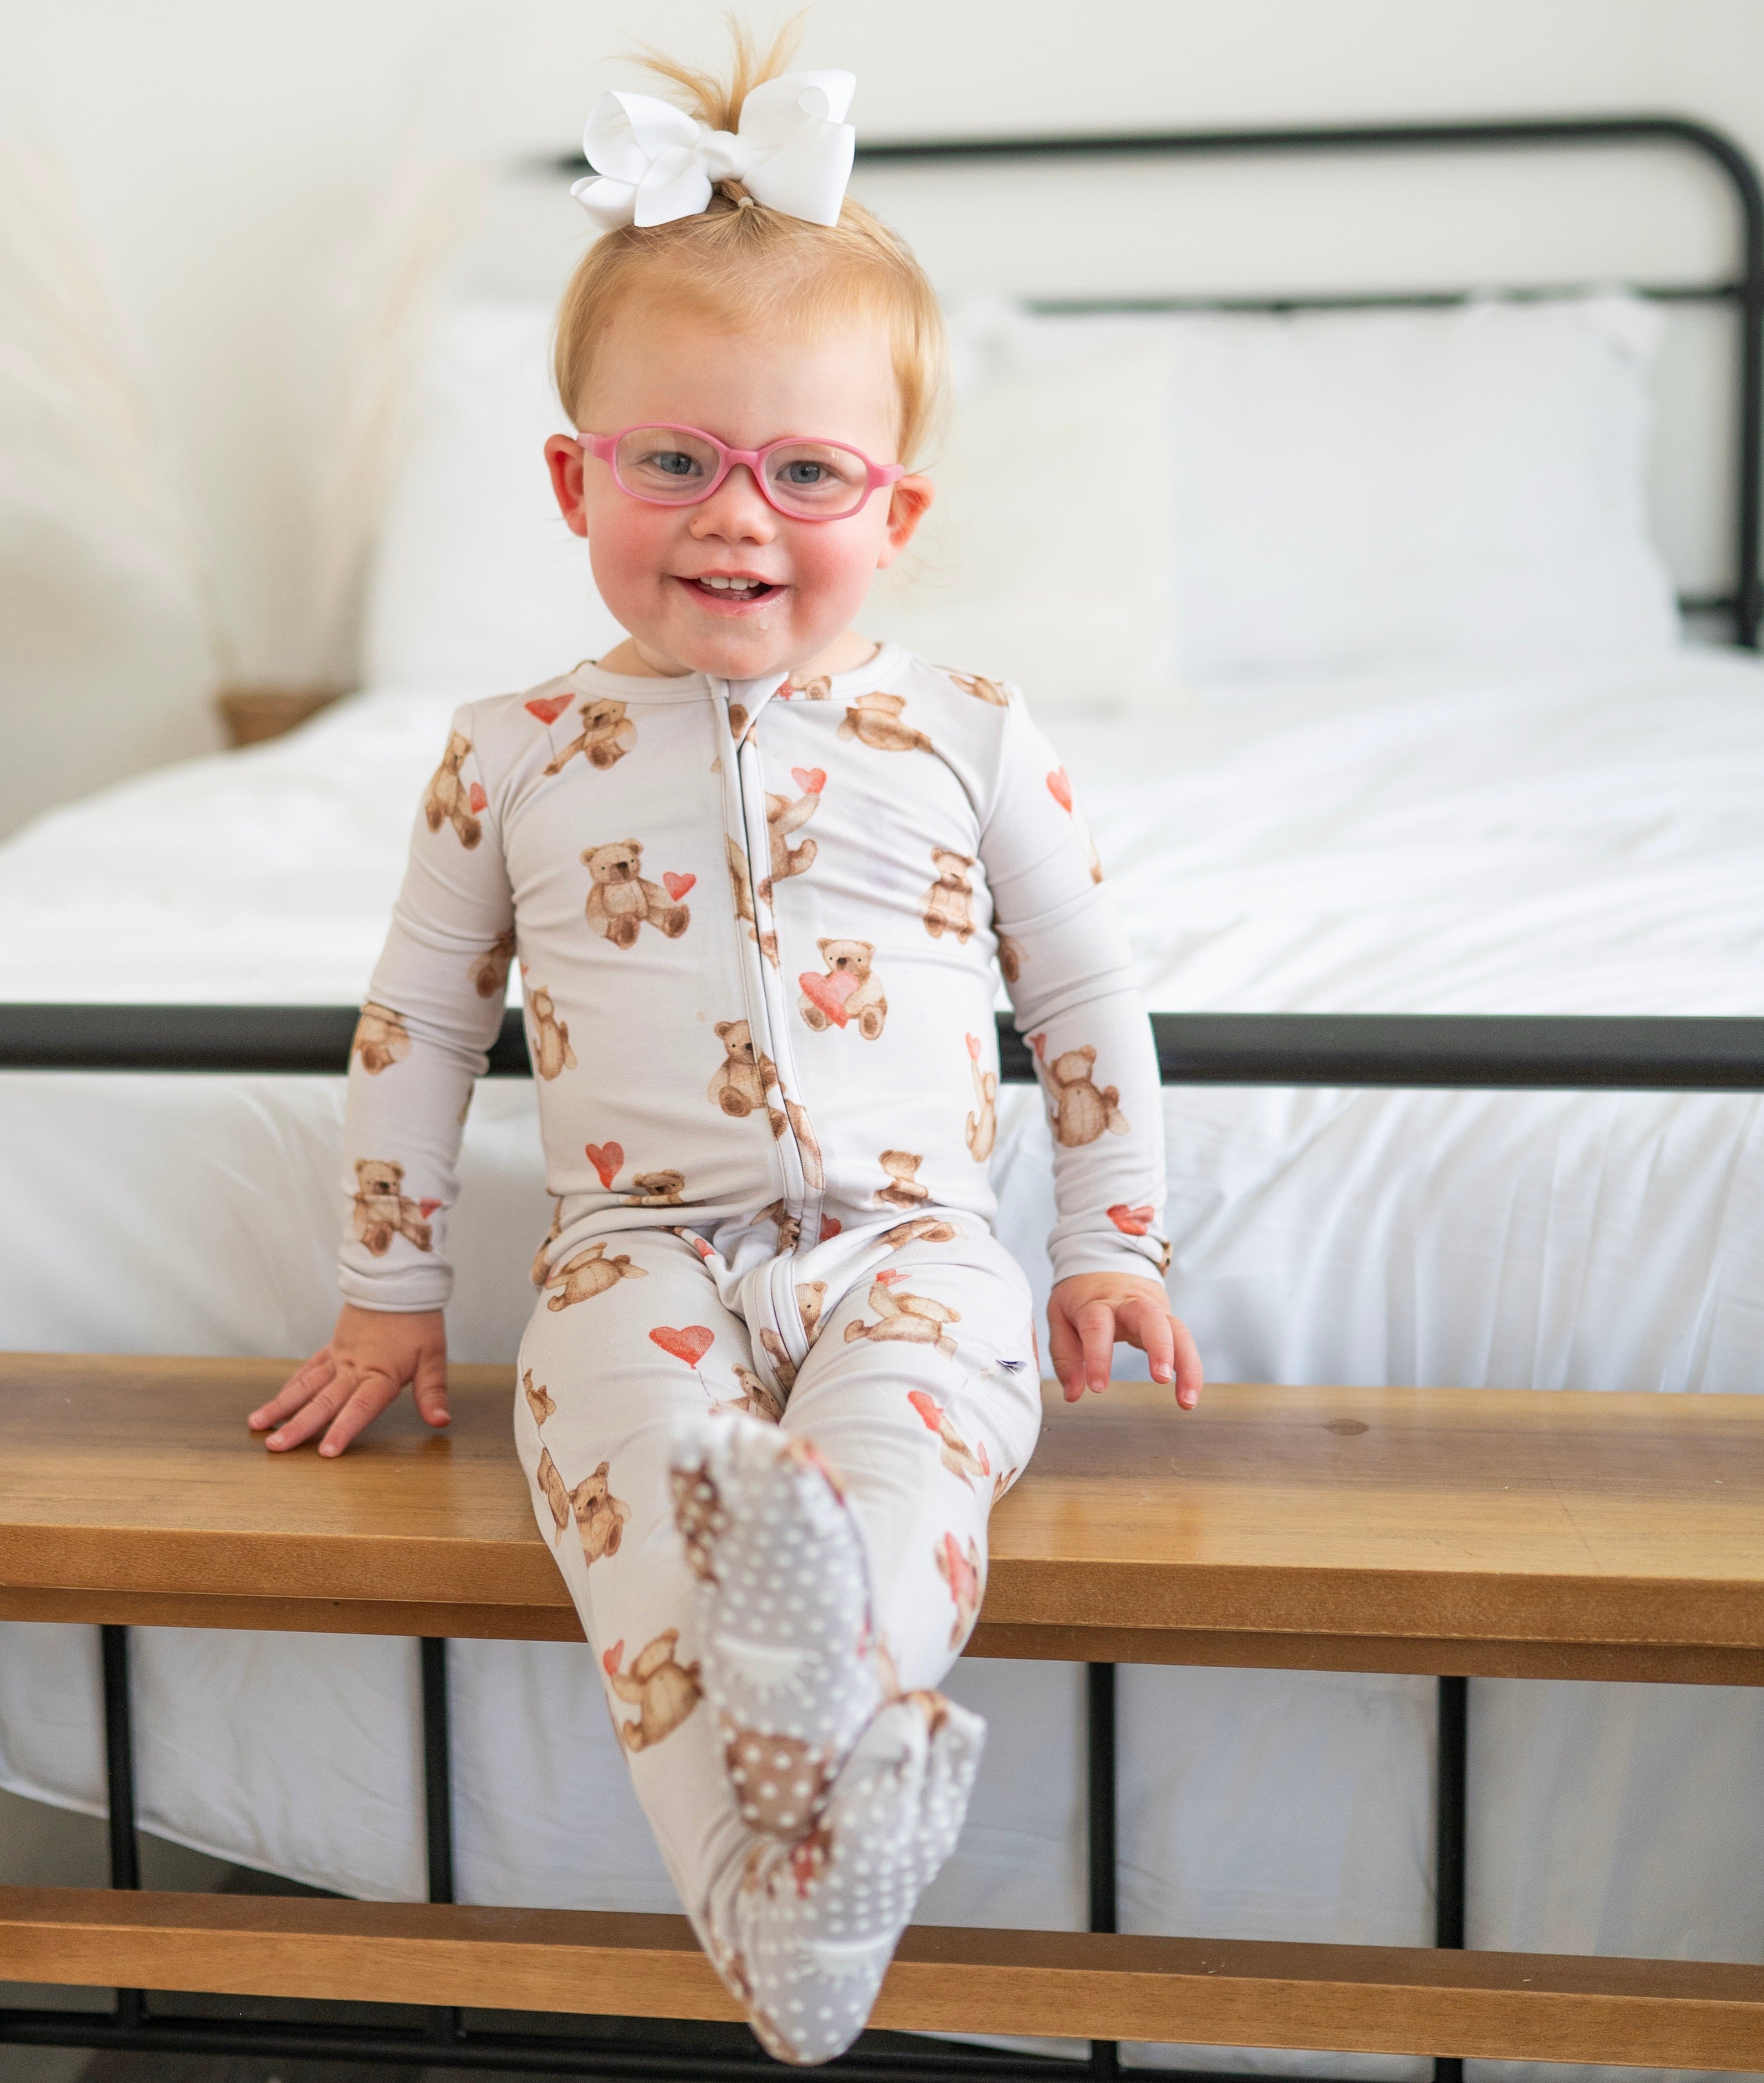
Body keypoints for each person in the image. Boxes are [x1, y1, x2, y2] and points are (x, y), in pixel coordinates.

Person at [250, 23, 1200, 2065]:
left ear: (900, 503)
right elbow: (418, 1022)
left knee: (892, 1485)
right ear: (573, 475)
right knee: (643, 1514)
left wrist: (1112, 1239)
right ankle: (808, 1906)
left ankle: (800, 1848)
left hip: (917, 1247)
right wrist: (387, 1290)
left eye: (805, 471)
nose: (732, 518)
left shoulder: (968, 732)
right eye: (671, 459)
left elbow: (1084, 997)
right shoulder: (505, 754)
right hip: (632, 1255)